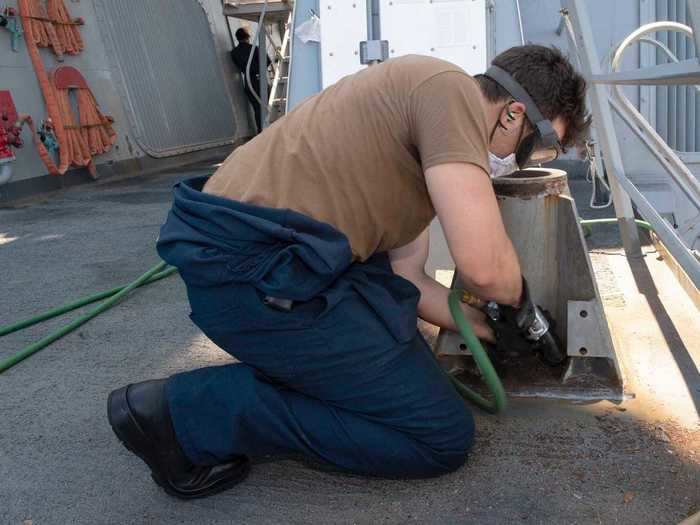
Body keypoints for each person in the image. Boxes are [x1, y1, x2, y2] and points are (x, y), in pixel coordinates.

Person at [107, 45, 590, 499]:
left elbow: (406, 281)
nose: (525, 163)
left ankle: (303, 375)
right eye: (541, 148)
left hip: (277, 266)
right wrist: (521, 307)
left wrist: (489, 329)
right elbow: (485, 269)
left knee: (402, 347)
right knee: (438, 435)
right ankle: (183, 415)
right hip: (251, 276)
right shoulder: (450, 93)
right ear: (513, 113)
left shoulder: (422, 113)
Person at [230, 27, 271, 134]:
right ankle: (270, 129)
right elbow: (267, 61)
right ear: (248, 37)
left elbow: (239, 66)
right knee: (266, 106)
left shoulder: (234, 53)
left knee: (257, 108)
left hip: (248, 83)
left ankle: (261, 131)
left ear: (237, 38)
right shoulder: (255, 49)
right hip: (259, 80)